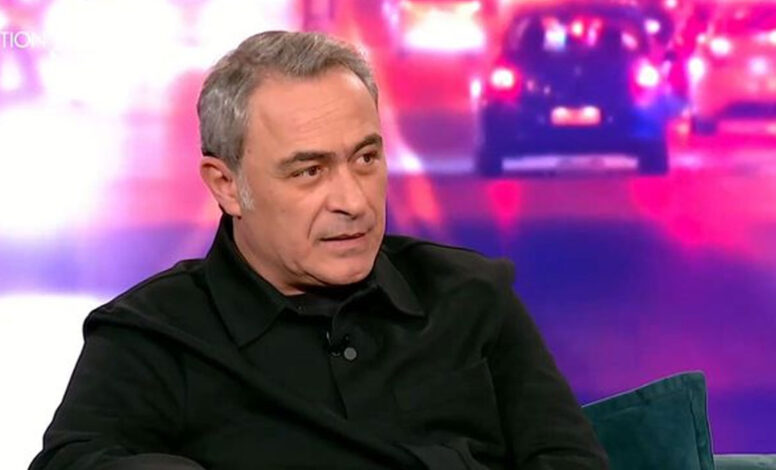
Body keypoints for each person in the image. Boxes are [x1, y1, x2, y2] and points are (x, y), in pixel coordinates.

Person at [30, 31, 608, 470]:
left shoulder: (474, 297)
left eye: (366, 158)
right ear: (226, 185)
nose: (353, 201)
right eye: (309, 171)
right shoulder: (153, 337)